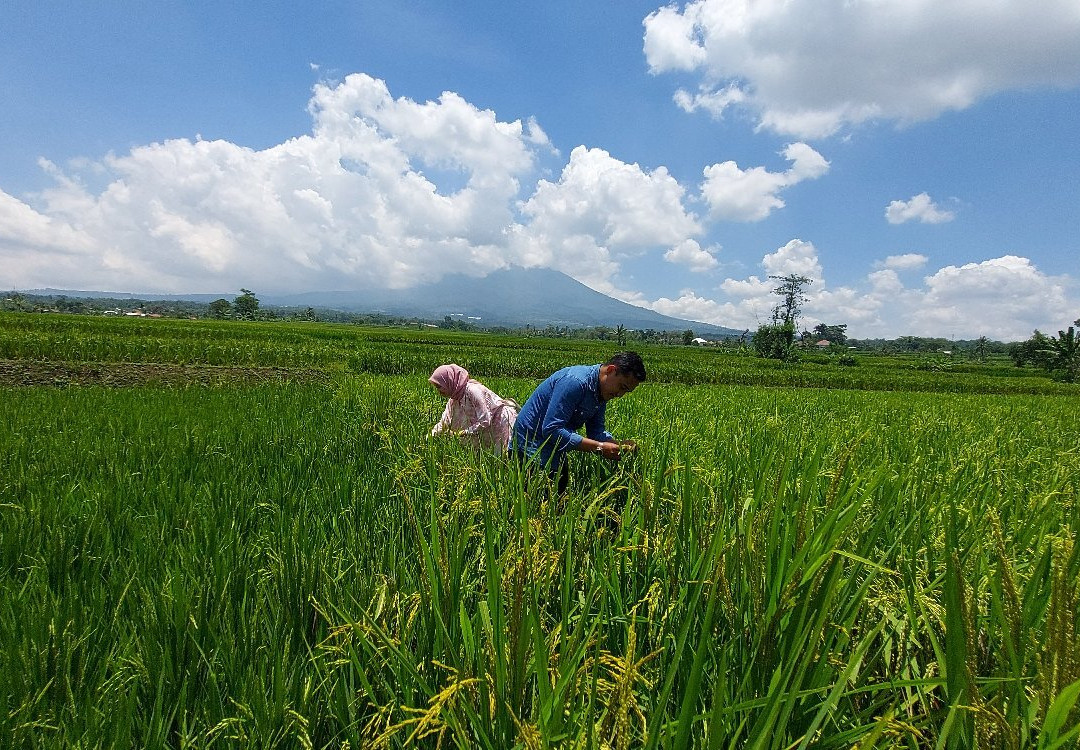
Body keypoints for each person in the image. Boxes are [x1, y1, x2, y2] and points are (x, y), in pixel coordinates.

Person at [511, 351, 646, 494]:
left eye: (626, 391)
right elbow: (552, 429)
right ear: (611, 370)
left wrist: (616, 445)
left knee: (557, 499)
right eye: (622, 387)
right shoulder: (575, 382)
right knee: (537, 502)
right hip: (530, 448)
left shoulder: (601, 393)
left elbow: (596, 431)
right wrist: (600, 447)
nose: (620, 395)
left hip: (556, 450)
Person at [429, 364, 518, 453]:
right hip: (488, 428)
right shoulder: (454, 400)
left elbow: (485, 420)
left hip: (501, 423)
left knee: (501, 456)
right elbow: (445, 421)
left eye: (439, 387)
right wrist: (431, 435)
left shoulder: (473, 391)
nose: (439, 392)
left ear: (449, 381)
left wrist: (463, 433)